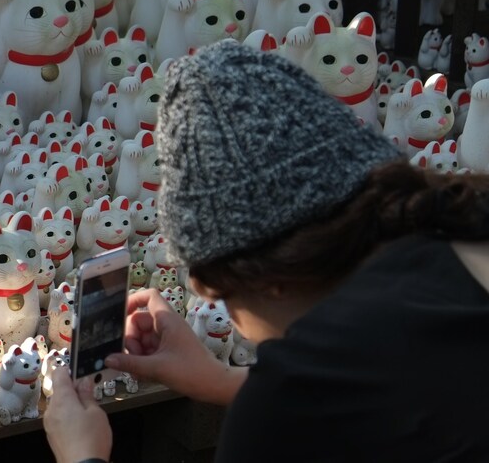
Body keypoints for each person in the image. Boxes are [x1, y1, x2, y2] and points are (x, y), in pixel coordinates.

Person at [44, 41, 489, 462]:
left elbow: (322, 395)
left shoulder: (281, 410)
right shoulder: (463, 231)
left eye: (219, 295)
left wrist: (82, 454)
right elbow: (392, 390)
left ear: (264, 278)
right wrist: (222, 380)